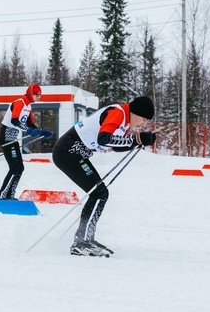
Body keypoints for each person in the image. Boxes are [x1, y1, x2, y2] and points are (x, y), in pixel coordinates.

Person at [52, 96, 156, 257]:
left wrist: (138, 141)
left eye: (146, 122)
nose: (143, 124)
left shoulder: (125, 121)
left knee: (100, 193)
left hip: (77, 154)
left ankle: (86, 239)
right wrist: (136, 139)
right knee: (99, 193)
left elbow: (114, 145)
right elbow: (104, 138)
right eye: (143, 119)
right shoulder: (118, 113)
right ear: (134, 112)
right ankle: (81, 242)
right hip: (67, 152)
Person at [0, 83, 53, 200]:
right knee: (14, 168)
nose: (38, 98)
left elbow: (30, 124)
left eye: (40, 96)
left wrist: (41, 131)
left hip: (13, 139)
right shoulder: (20, 102)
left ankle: (10, 194)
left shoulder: (28, 107)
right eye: (37, 95)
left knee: (20, 168)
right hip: (6, 139)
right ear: (31, 94)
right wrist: (28, 131)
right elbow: (15, 120)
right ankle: (1, 195)